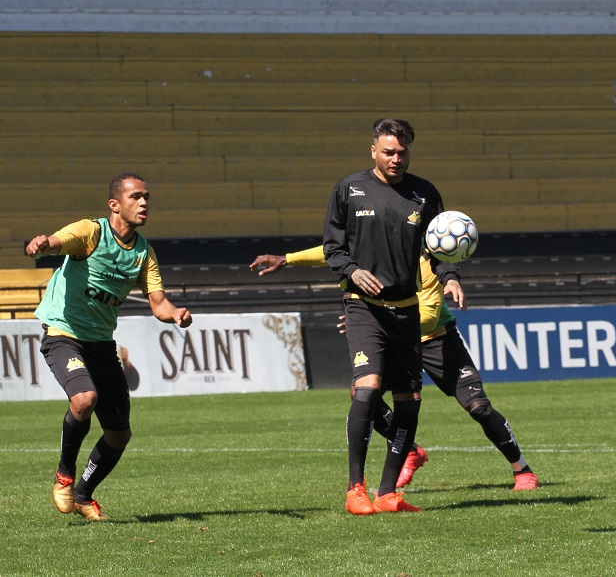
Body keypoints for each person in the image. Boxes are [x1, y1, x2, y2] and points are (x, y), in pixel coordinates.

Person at [250, 248, 540, 495]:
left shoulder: (428, 260)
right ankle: (409, 450)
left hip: (437, 337)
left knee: (478, 406)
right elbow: (333, 251)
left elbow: (425, 315)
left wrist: (375, 319)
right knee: (363, 395)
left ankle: (522, 470)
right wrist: (287, 259)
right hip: (394, 339)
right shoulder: (375, 251)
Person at [25, 172, 192, 521]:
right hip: (64, 333)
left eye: (147, 197)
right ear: (115, 204)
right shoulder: (92, 232)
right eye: (136, 197)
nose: (144, 202)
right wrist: (44, 244)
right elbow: (58, 240)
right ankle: (64, 475)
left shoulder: (144, 252)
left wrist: (175, 313)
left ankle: (84, 494)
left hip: (101, 343)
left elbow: (158, 304)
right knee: (84, 399)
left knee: (119, 434)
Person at [320, 117, 449, 515]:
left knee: (409, 398)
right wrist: (352, 270)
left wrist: (452, 277)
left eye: (402, 152)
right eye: (388, 152)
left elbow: (442, 248)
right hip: (363, 308)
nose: (396, 158)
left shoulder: (424, 194)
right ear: (373, 150)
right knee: (368, 387)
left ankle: (388, 492)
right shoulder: (349, 188)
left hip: (407, 311)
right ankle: (354, 489)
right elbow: (332, 247)